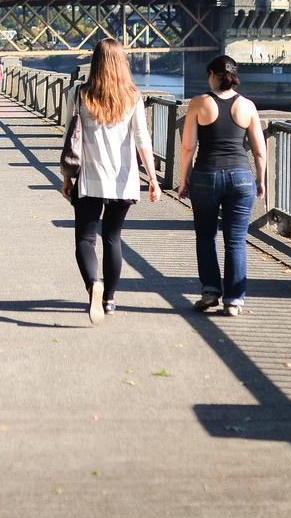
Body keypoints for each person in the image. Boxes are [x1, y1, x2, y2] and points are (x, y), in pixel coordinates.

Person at [63, 38, 162, 324]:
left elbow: (70, 138)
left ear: (95, 62)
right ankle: (109, 300)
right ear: (122, 63)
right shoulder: (133, 96)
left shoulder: (79, 94)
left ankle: (94, 282)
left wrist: (66, 177)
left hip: (88, 180)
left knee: (85, 239)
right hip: (123, 181)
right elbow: (143, 140)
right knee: (113, 238)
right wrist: (153, 180)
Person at [176, 55, 267, 317]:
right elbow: (259, 150)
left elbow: (188, 147)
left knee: (206, 236)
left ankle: (211, 290)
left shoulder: (199, 103)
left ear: (212, 75)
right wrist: (260, 179)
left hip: (206, 176)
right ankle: (234, 300)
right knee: (236, 241)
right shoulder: (247, 106)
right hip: (241, 177)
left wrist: (184, 179)